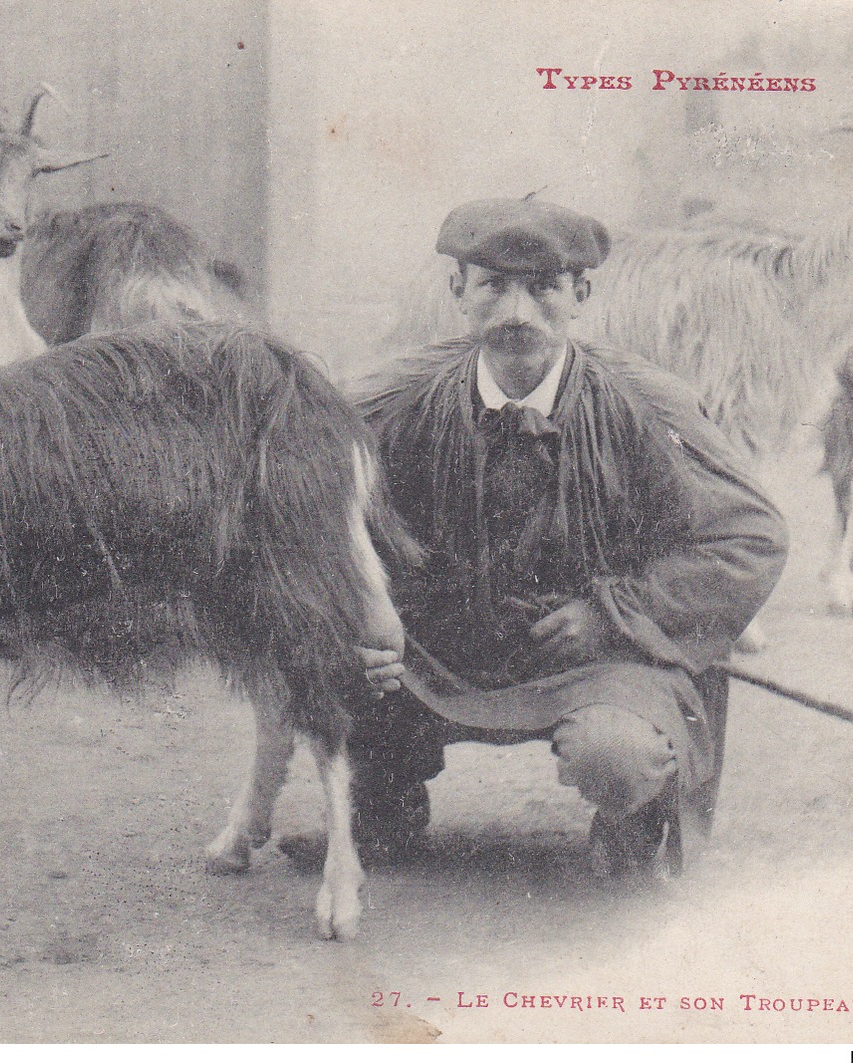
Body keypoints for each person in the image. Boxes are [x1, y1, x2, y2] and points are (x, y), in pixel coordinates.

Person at [317, 197, 789, 877]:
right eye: (492, 286)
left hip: (599, 660)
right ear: (458, 293)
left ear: (580, 294)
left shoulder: (645, 405)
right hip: (438, 655)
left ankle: (632, 816)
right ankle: (382, 802)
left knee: (615, 754)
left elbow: (749, 537)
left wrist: (613, 611)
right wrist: (366, 624)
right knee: (339, 662)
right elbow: (323, 519)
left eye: (541, 287)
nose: (516, 312)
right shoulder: (393, 401)